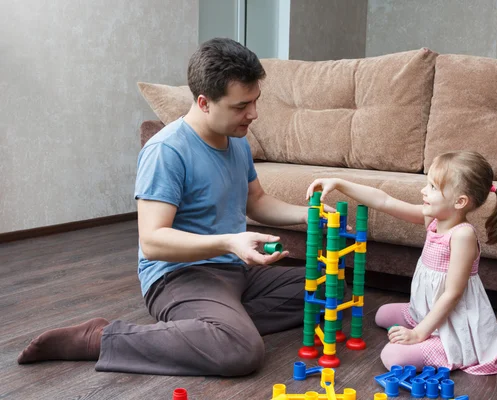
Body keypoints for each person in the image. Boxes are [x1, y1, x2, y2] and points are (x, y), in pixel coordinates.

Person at [17, 38, 313, 376]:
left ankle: (218, 322)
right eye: (241, 106)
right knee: (241, 351)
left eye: (255, 101)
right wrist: (230, 242)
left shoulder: (237, 141)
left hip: (235, 271)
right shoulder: (167, 151)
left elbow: (256, 201)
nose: (253, 114)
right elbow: (153, 241)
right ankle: (102, 337)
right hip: (179, 275)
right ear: (204, 102)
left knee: (325, 291)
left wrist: (310, 215)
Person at [306, 151, 497, 375]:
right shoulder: (434, 218)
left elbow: (452, 295)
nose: (423, 191)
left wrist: (419, 334)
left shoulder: (462, 236)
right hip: (426, 310)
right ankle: (420, 323)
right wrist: (339, 183)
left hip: (453, 322)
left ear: (460, 201)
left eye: (433, 187)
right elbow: (384, 201)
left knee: (391, 356)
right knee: (382, 315)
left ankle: (446, 347)